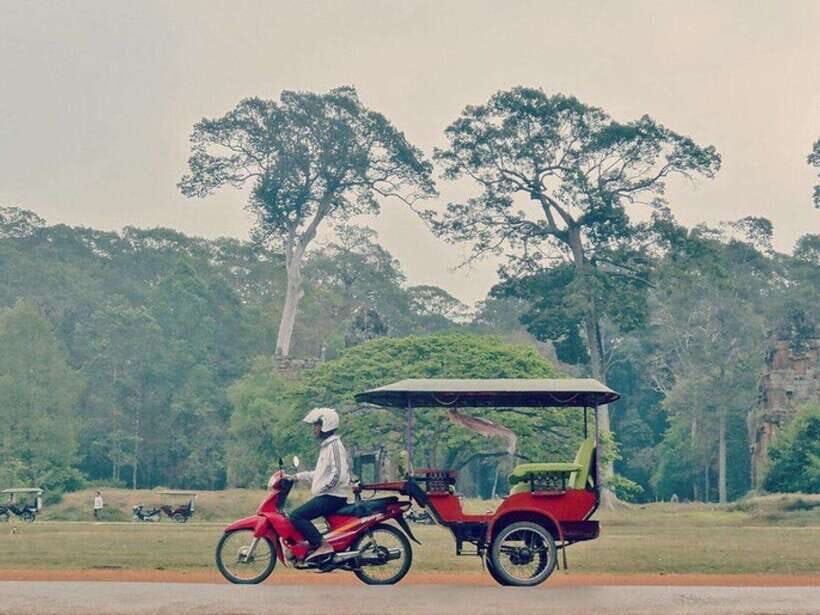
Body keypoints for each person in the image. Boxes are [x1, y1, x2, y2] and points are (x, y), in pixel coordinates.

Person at [290, 407, 351, 562]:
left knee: (296, 516)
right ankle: (307, 546)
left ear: (326, 425)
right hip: (328, 495)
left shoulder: (335, 446)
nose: (314, 429)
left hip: (333, 497)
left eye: (316, 425)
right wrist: (296, 477)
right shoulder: (326, 447)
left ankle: (322, 545)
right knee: (298, 515)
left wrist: (322, 488)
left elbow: (338, 474)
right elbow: (319, 475)